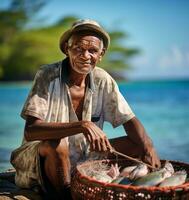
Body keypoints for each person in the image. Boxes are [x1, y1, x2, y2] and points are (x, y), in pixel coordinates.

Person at [10, 19, 160, 199]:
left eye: (93, 51)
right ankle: (66, 194)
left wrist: (149, 147)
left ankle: (114, 182)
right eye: (78, 49)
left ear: (101, 54)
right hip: (41, 160)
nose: (85, 56)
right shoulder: (47, 75)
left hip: (84, 156)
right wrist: (83, 125)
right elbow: (31, 131)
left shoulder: (103, 79)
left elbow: (130, 121)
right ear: (67, 48)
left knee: (140, 142)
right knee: (58, 144)